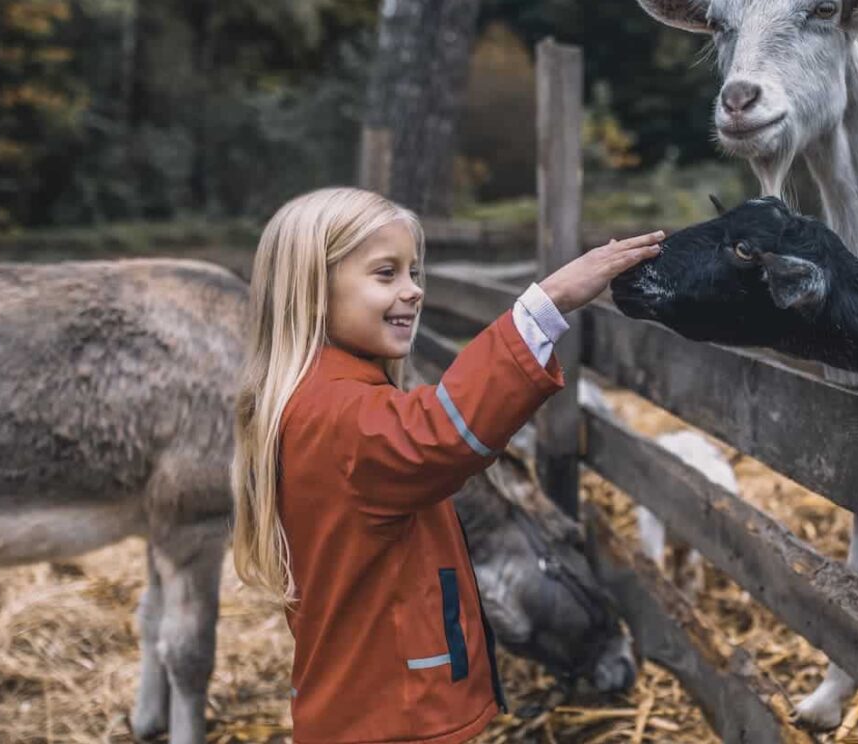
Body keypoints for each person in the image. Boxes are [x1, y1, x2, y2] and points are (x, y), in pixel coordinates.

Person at [229, 187, 662, 743]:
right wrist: (546, 305)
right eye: (386, 274)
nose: (413, 291)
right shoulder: (336, 414)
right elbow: (442, 433)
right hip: (394, 716)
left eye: (414, 271)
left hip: (369, 706)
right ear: (313, 291)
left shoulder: (315, 395)